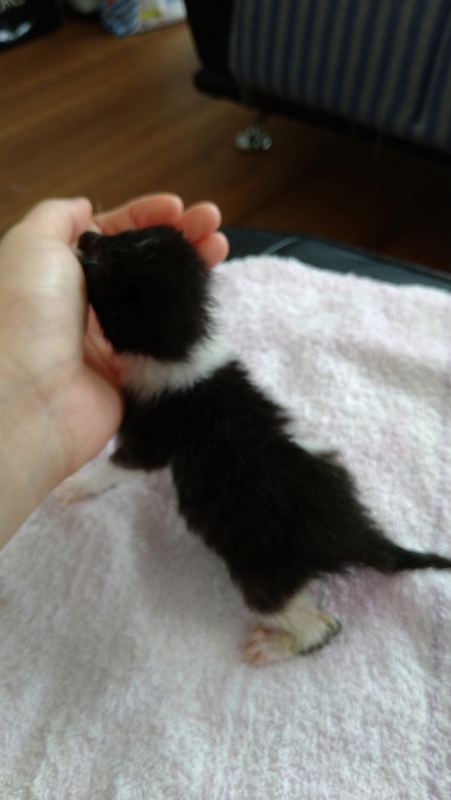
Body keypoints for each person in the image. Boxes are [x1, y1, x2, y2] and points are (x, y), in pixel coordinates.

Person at [0, 194, 229, 550]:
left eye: (104, 259)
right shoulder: (189, 365)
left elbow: (146, 453)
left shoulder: (159, 400)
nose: (89, 241)